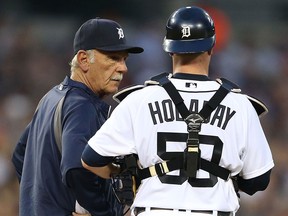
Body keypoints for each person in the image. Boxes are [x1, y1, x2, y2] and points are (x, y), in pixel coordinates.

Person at [81, 6, 274, 216]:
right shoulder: (240, 105)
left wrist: (131, 175)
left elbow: (90, 159)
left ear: (170, 49)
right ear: (211, 47)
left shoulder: (138, 100)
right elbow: (259, 180)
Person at [11, 17, 143, 216]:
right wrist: (101, 212)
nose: (123, 67)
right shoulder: (82, 106)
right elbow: (76, 168)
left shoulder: (52, 97)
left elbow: (20, 154)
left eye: (124, 59)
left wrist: (40, 203)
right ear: (83, 60)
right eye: (113, 58)